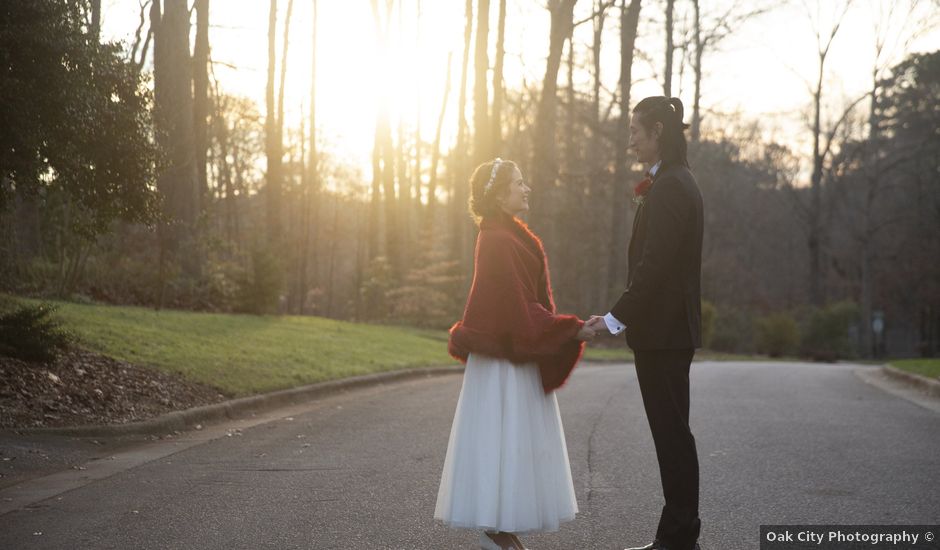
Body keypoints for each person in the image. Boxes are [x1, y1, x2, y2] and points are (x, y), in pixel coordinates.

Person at [434, 158, 596, 550]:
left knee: (512, 441)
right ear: (498, 194)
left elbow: (526, 306)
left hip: (513, 351)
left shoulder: (511, 236)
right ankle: (497, 531)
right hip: (502, 358)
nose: (527, 189)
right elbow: (514, 308)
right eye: (519, 183)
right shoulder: (496, 240)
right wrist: (570, 328)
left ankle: (502, 532)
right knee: (501, 438)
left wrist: (564, 328)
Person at [587, 96, 704, 550]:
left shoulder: (674, 186)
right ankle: (679, 535)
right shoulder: (670, 182)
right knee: (672, 433)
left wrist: (614, 319)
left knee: (672, 434)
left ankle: (678, 539)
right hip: (664, 333)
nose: (631, 140)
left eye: (636, 131)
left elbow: (654, 267)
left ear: (657, 131)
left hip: (665, 334)